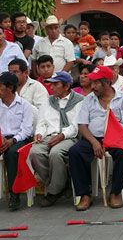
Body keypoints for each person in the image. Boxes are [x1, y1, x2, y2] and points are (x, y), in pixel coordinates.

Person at [69, 66, 123, 210]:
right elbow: (82, 126)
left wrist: (120, 137)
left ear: (107, 83)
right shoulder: (89, 99)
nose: (92, 86)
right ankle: (84, 195)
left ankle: (115, 192)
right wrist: (94, 142)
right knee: (75, 152)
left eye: (96, 83)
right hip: (93, 137)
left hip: (116, 137)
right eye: (92, 82)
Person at [30, 71, 84, 207]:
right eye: (51, 84)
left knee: (55, 153)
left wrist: (62, 136)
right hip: (49, 135)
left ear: (66, 86)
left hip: (69, 137)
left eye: (55, 84)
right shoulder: (48, 101)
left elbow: (76, 126)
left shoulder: (79, 101)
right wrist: (39, 133)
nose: (51, 87)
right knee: (35, 152)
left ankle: (53, 192)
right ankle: (61, 182)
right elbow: (42, 122)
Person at [0, 72, 34, 211]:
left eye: (1, 87)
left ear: (9, 88)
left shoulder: (24, 105)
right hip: (2, 138)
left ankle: (14, 194)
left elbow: (26, 130)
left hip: (19, 138)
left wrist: (12, 140)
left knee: (12, 154)